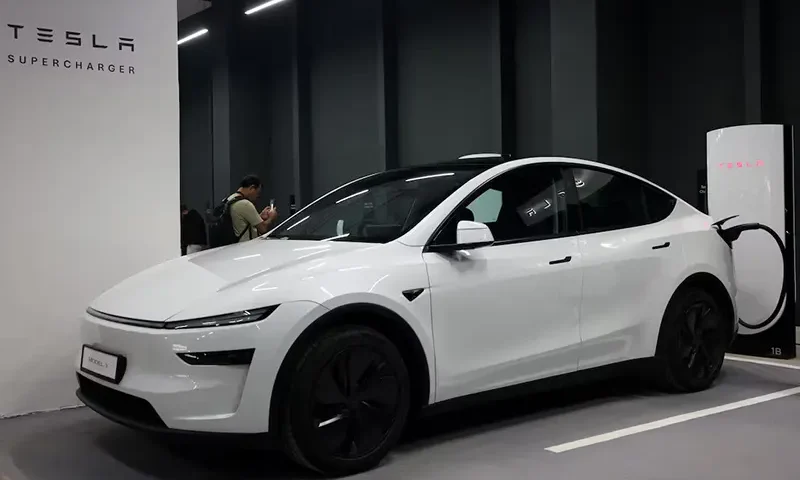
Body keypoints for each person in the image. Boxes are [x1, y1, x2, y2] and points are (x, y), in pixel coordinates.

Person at [227, 175, 278, 242]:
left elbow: (242, 221)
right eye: (258, 193)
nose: (257, 196)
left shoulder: (230, 199)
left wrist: (260, 216)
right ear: (252, 188)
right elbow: (263, 229)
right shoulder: (245, 204)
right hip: (245, 246)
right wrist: (271, 218)